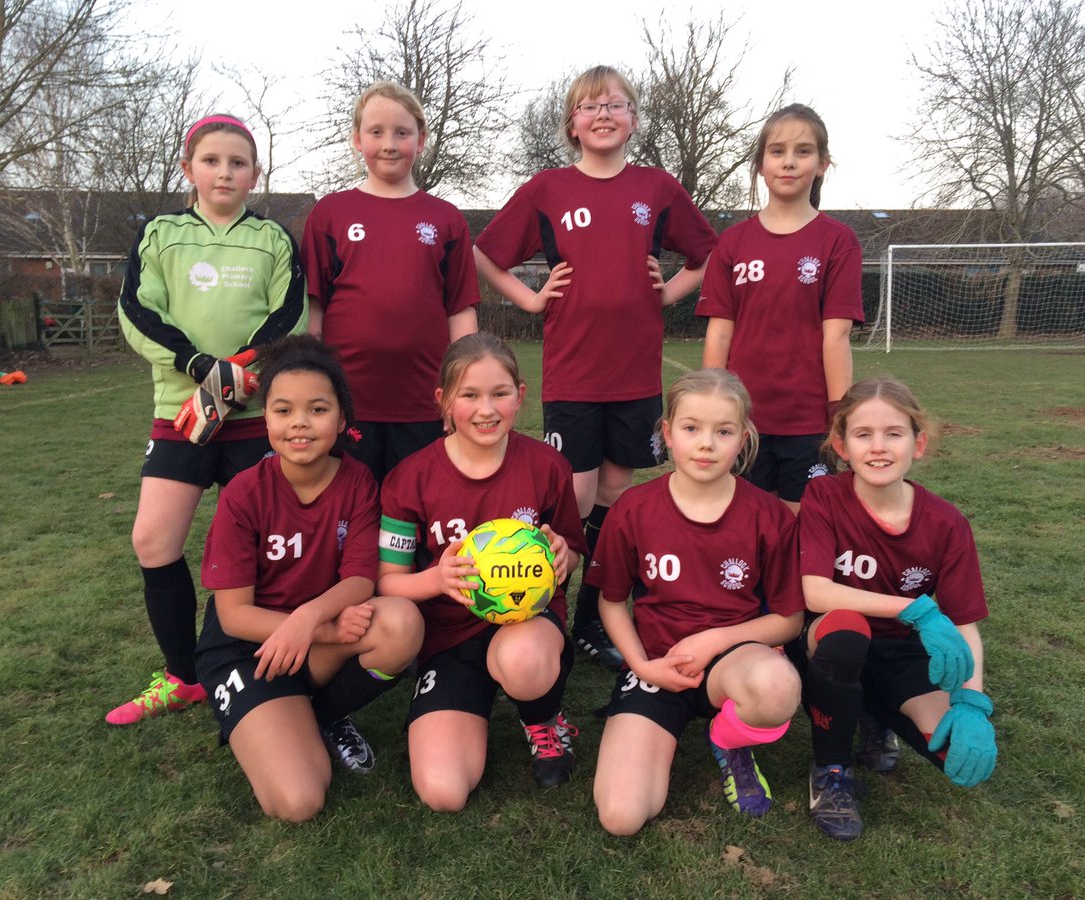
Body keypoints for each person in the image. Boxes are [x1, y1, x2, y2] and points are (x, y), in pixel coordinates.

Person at [474, 66, 716, 669]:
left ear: (633, 119)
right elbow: (485, 254)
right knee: (573, 498)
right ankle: (540, 610)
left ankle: (588, 621)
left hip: (635, 375)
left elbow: (709, 253)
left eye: (615, 104)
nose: (603, 114)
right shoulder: (548, 189)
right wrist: (531, 299)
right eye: (589, 106)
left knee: (613, 493)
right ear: (572, 124)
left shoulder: (656, 187)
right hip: (574, 373)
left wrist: (668, 291)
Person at [107, 114, 321, 735]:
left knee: (270, 549)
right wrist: (201, 367)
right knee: (153, 542)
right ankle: (183, 677)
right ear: (188, 168)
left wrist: (240, 371)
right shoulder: (161, 234)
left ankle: (264, 661)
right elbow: (137, 312)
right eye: (211, 161)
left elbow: (288, 314)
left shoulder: (272, 239)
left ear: (255, 174)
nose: (224, 172)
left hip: (257, 416)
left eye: (238, 163)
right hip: (182, 412)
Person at [195, 336, 423, 821]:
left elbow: (360, 579)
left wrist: (310, 618)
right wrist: (322, 629)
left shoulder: (358, 481)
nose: (299, 422)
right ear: (266, 419)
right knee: (298, 801)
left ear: (341, 421)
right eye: (284, 410)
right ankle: (276, 718)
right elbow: (233, 616)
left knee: (401, 623)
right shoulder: (243, 494)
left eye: (317, 409)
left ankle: (322, 715)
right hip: (250, 650)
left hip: (313, 636)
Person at [590, 369, 803, 835]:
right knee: (622, 816)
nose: (706, 444)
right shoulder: (633, 509)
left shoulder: (768, 515)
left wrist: (715, 641)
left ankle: (729, 740)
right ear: (667, 433)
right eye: (691, 428)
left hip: (733, 664)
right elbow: (611, 603)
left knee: (777, 687)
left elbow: (790, 619)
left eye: (723, 431)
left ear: (743, 438)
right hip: (658, 666)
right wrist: (642, 667)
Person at [378, 333, 586, 811]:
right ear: (443, 401)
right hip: (450, 637)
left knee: (523, 662)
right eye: (469, 395)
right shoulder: (410, 478)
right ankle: (467, 700)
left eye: (499, 393)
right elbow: (387, 581)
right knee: (443, 791)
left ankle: (542, 717)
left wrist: (563, 555)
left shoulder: (548, 466)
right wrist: (437, 579)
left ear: (520, 395)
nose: (486, 409)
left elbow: (574, 549)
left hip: (526, 626)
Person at [797, 376, 996, 841]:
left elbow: (965, 623)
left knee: (954, 750)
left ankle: (873, 714)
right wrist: (917, 608)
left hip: (900, 653)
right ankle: (831, 770)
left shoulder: (947, 523)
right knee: (847, 634)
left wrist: (972, 701)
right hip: (829, 640)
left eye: (893, 433)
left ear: (918, 443)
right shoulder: (824, 496)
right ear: (841, 446)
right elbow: (816, 592)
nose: (878, 447)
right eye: (863, 434)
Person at [302, 81, 479, 483]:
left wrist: (461, 390)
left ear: (421, 140)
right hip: (346, 401)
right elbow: (314, 308)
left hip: (424, 403)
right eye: (376, 132)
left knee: (415, 507)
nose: (389, 144)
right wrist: (313, 386)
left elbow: (460, 311)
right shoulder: (330, 214)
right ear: (357, 139)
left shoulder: (446, 218)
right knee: (349, 506)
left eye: (402, 132)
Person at [698, 103, 864, 513]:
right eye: (777, 151)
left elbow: (837, 335)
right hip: (742, 419)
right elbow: (720, 332)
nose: (789, 161)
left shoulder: (838, 241)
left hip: (807, 422)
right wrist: (712, 405)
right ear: (761, 164)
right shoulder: (732, 243)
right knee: (744, 524)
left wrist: (839, 414)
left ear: (822, 164)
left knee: (801, 528)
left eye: (803, 151)